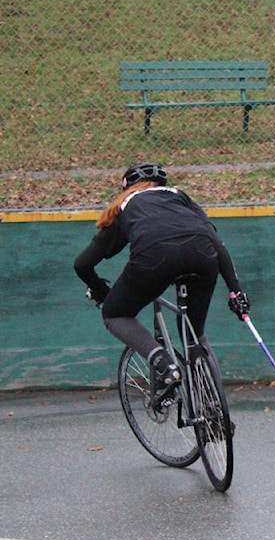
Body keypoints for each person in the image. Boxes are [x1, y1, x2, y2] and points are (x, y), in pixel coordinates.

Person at [74, 163, 248, 407]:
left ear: (127, 188)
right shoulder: (180, 196)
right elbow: (218, 245)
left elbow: (82, 264)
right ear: (161, 185)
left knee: (115, 314)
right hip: (203, 254)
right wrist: (236, 291)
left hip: (154, 257)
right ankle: (215, 408)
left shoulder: (126, 204)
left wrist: (102, 291)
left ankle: (163, 363)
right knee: (195, 336)